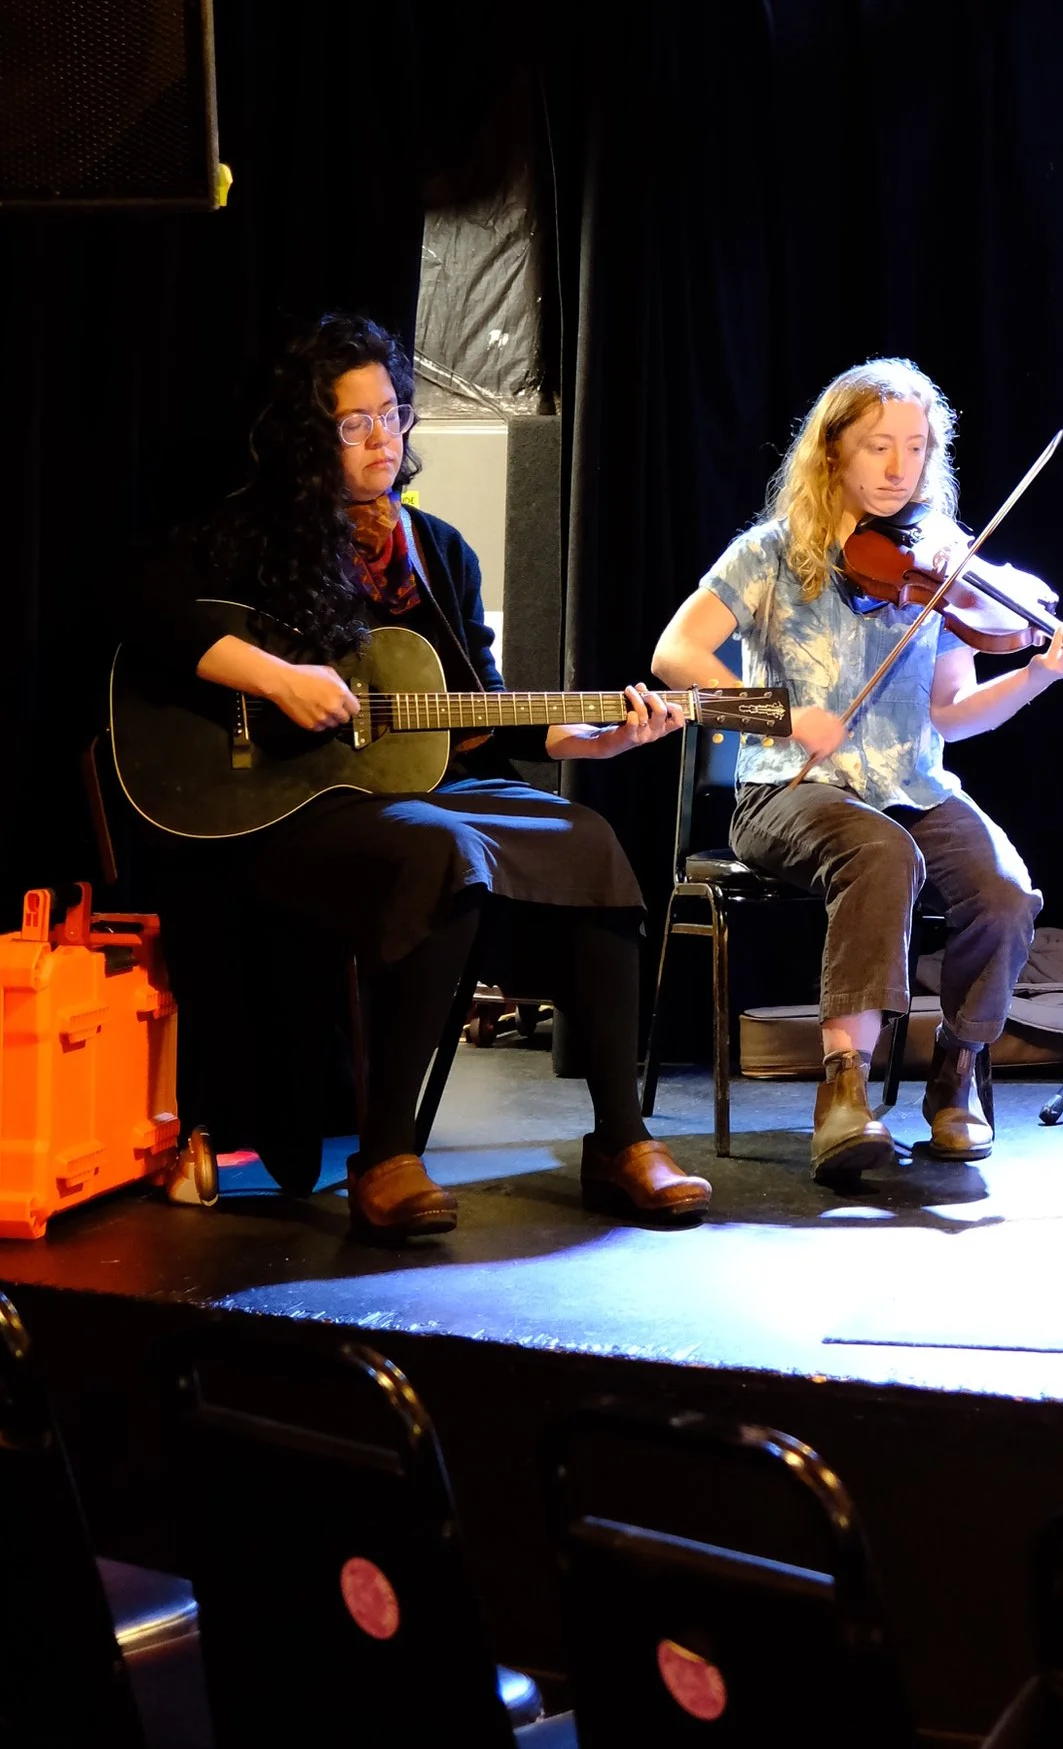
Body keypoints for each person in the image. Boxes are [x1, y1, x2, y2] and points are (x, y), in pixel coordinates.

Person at [130, 314, 708, 1241]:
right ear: (309, 434)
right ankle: (385, 1155)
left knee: (587, 838)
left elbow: (477, 714)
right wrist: (275, 675)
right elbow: (143, 605)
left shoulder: (437, 552)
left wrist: (583, 743)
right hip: (288, 809)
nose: (382, 439)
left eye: (392, 415)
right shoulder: (253, 531)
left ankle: (620, 1140)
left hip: (419, 795)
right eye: (354, 423)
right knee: (440, 848)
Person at [651, 359, 1063, 1184]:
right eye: (878, 447)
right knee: (883, 853)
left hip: (913, 784)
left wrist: (1035, 675)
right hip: (789, 790)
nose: (899, 467)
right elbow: (674, 654)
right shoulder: (773, 552)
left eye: (916, 448)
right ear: (833, 454)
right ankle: (843, 1088)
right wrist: (777, 713)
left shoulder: (941, 566)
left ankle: (955, 1074)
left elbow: (953, 713)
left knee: (1004, 888)